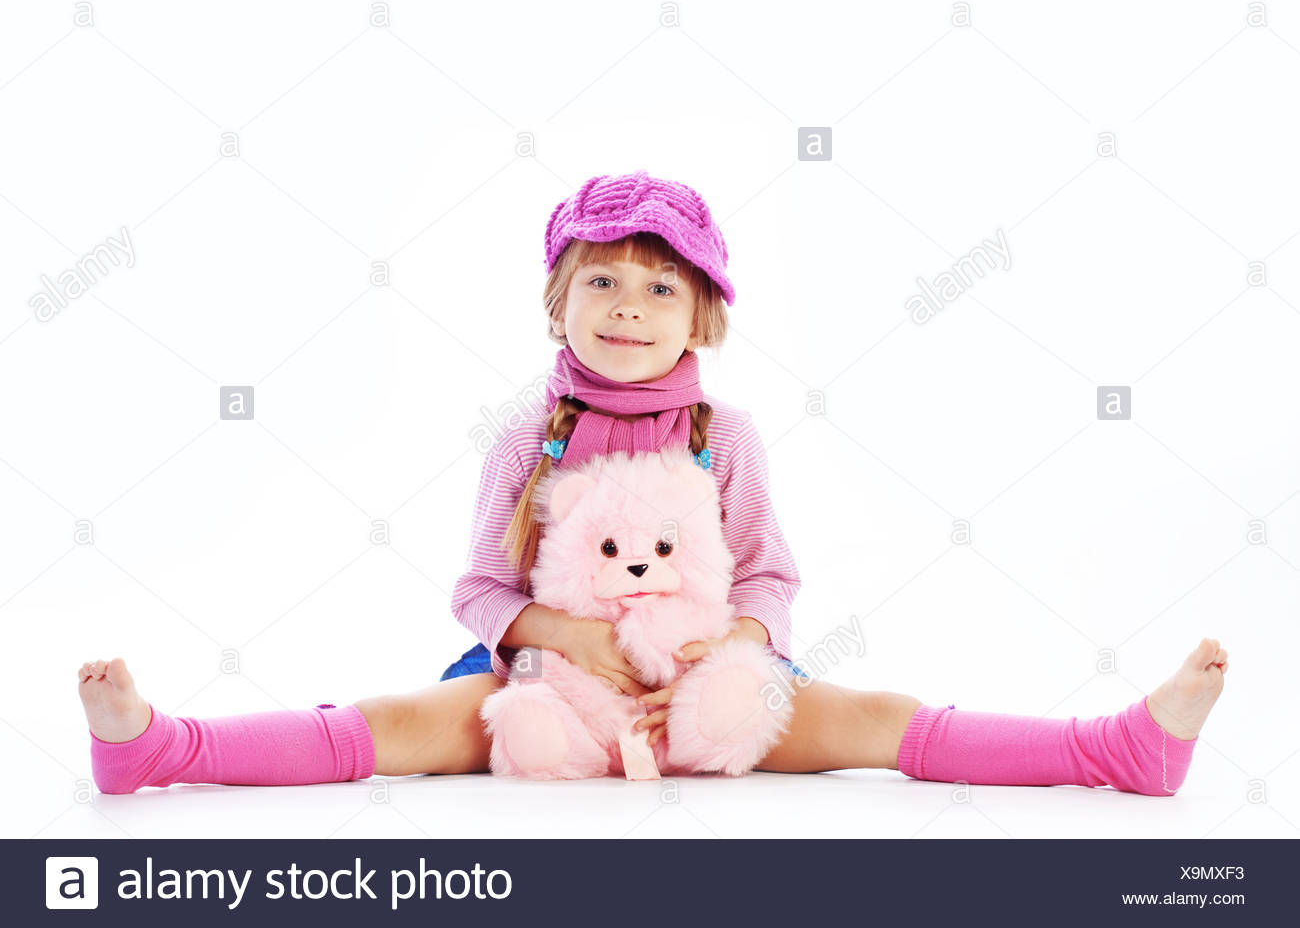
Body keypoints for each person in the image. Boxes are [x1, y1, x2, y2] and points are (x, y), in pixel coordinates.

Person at [78, 170, 1229, 796]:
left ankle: (1114, 746)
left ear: (705, 313)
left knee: (880, 718)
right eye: (604, 281)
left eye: (659, 287)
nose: (629, 305)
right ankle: (160, 748)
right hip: (546, 694)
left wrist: (726, 652)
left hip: (707, 686)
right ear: (559, 302)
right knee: (391, 724)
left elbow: (769, 570)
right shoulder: (528, 431)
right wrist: (565, 643)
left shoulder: (723, 433)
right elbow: (479, 586)